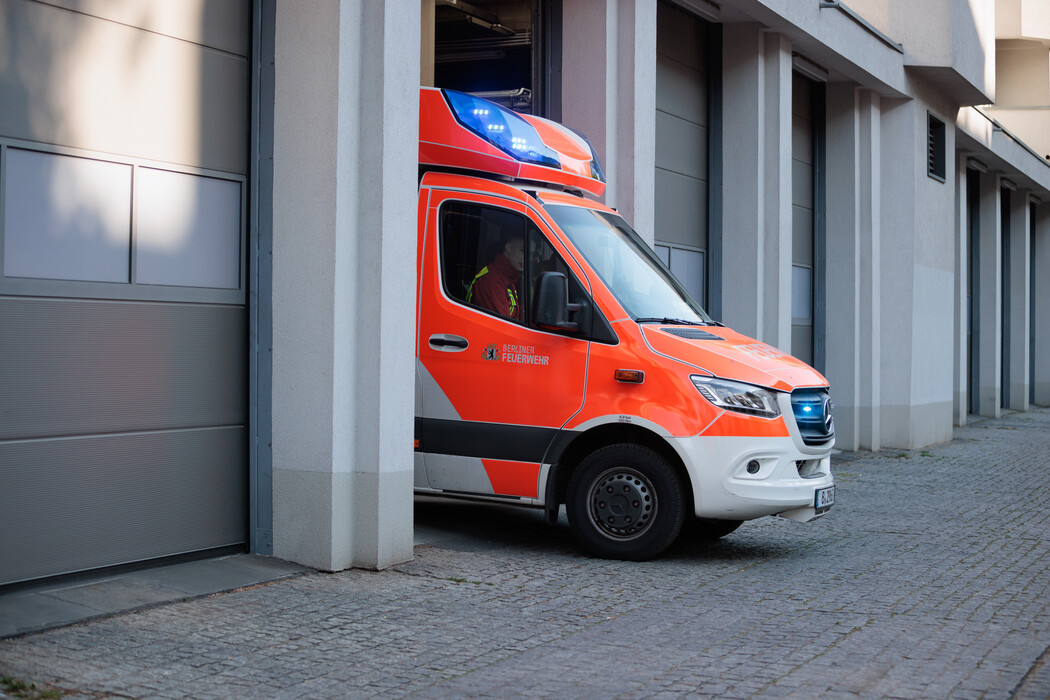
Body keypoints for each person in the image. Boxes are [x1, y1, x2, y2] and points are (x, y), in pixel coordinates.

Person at [467, 235, 524, 319]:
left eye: (531, 254)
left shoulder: (510, 277)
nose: (527, 257)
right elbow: (504, 326)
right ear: (508, 247)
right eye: (523, 251)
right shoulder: (491, 280)